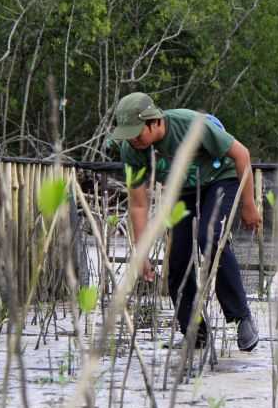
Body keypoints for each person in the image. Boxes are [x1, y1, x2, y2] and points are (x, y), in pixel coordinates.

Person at [110, 92, 262, 351]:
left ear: (155, 122)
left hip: (219, 180)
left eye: (138, 134)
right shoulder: (132, 150)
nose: (133, 141)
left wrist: (249, 205)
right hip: (181, 192)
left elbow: (242, 154)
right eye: (128, 136)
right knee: (177, 259)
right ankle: (195, 332)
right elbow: (138, 204)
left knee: (210, 237)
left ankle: (241, 318)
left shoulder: (191, 125)